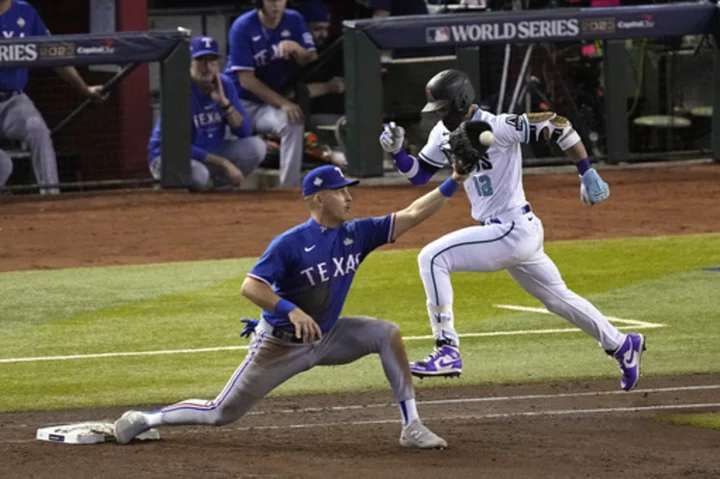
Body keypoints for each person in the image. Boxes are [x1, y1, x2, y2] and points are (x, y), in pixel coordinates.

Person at [114, 164, 472, 449]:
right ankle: (147, 419)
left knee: (385, 333)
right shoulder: (291, 243)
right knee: (220, 412)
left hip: (328, 337)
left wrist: (454, 179)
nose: (349, 197)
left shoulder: (357, 233)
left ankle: (412, 426)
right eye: (340, 191)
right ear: (318, 199)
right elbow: (251, 286)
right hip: (280, 346)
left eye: (348, 190)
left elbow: (412, 214)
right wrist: (291, 309)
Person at [379, 69, 646, 391]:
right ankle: (621, 345)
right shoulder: (441, 132)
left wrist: (586, 172)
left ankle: (446, 348)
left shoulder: (500, 125)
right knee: (559, 299)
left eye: (445, 109)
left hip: (511, 228)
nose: (441, 116)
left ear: (462, 102)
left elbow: (559, 124)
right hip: (512, 234)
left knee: (432, 257)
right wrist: (396, 152)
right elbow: (419, 174)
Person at [0, 0, 105, 195]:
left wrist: (85, 89)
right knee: (3, 165)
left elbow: (54, 54)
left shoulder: (25, 12)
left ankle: (50, 196)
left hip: (13, 100)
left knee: (38, 130)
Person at [148, 36, 266, 191]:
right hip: (168, 156)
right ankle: (178, 196)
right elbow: (179, 145)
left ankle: (220, 189)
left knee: (257, 146)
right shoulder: (179, 89)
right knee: (199, 176)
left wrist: (224, 103)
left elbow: (245, 131)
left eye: (212, 62)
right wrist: (224, 163)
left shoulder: (224, 84)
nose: (207, 67)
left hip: (209, 152)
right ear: (189, 64)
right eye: (201, 61)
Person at [225, 0, 317, 188]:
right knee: (221, 140)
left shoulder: (294, 19)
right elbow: (246, 80)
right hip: (238, 101)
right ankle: (218, 185)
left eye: (280, 0)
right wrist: (283, 103)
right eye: (270, 1)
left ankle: (289, 188)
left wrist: (296, 48)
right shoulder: (242, 26)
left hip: (266, 104)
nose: (276, 5)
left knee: (293, 120)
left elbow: (311, 57)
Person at [296, 0, 345, 128]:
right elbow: (292, 94)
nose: (324, 34)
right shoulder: (291, 54)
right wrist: (327, 87)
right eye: (317, 29)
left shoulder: (331, 49)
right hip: (309, 117)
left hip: (340, 114)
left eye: (326, 28)